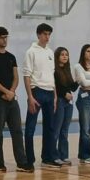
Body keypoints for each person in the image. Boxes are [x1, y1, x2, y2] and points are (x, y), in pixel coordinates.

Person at [0, 27, 29, 173]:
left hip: (11, 98)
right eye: (2, 37)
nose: (5, 40)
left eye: (6, 37)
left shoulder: (11, 57)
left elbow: (16, 77)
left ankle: (21, 162)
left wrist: (12, 92)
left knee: (17, 130)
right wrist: (5, 92)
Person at [22, 23, 57, 167]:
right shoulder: (31, 52)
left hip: (50, 92)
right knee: (30, 127)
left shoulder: (50, 52)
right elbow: (26, 75)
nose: (47, 37)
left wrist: (55, 96)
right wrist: (30, 96)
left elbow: (52, 75)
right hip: (36, 91)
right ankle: (29, 160)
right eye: (45, 34)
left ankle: (48, 157)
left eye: (49, 34)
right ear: (38, 35)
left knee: (50, 127)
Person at [51, 47, 78, 166]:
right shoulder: (54, 70)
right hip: (60, 101)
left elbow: (72, 87)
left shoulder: (67, 70)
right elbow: (55, 86)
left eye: (66, 54)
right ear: (57, 57)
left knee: (65, 130)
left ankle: (64, 155)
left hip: (68, 103)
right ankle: (54, 156)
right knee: (56, 129)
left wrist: (78, 80)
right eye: (62, 54)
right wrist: (64, 94)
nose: (65, 56)